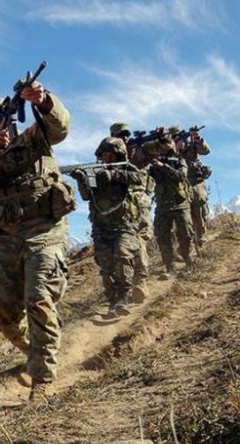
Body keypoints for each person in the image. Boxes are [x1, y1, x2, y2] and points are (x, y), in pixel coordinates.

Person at [0, 80, 74, 403]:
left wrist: (44, 100)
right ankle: (35, 349)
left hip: (45, 232)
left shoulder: (35, 138)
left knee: (39, 297)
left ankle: (43, 379)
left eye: (2, 120)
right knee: (6, 317)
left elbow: (61, 127)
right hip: (6, 238)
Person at [74, 137, 147, 316]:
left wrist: (115, 175)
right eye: (104, 154)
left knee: (123, 256)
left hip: (125, 224)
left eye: (110, 153)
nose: (107, 157)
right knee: (106, 266)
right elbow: (86, 196)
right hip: (101, 227)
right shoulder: (95, 172)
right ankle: (114, 300)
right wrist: (80, 179)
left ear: (118, 153)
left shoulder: (127, 168)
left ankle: (124, 296)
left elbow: (140, 179)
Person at [109, 122, 153, 303]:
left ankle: (140, 282)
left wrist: (164, 138)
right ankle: (120, 289)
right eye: (120, 135)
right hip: (119, 208)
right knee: (120, 249)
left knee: (141, 240)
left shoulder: (138, 153)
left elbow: (161, 149)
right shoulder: (110, 155)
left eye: (126, 135)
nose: (125, 139)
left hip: (140, 204)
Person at [148, 126, 194, 278]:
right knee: (162, 236)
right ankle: (170, 267)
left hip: (180, 203)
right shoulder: (153, 162)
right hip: (162, 205)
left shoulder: (179, 159)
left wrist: (164, 167)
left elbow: (181, 176)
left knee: (185, 234)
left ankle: (188, 263)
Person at [175, 127, 211, 249]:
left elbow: (205, 151)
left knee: (199, 212)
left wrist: (197, 138)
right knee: (184, 218)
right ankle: (186, 246)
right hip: (180, 187)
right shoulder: (171, 151)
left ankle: (201, 241)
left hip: (196, 184)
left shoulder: (192, 146)